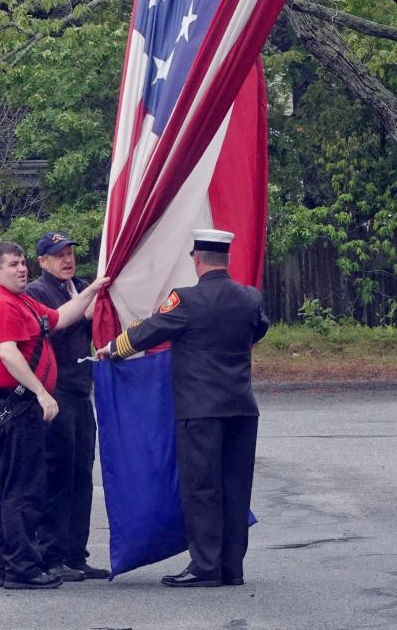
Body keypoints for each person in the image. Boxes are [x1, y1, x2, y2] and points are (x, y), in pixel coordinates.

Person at [99, 228, 269, 588]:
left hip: (201, 409)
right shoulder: (249, 298)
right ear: (226, 259)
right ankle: (231, 568)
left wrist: (114, 349)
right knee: (236, 487)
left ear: (197, 259)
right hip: (241, 408)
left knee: (202, 487)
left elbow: (150, 331)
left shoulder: (186, 300)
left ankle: (205, 566)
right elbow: (259, 330)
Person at [0, 240, 108, 591]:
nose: (21, 269)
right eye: (13, 264)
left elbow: (61, 317)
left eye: (21, 263)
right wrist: (40, 390)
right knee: (22, 490)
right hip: (14, 404)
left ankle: (9, 566)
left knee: (10, 490)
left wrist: (94, 287)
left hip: (13, 403)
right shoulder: (0, 303)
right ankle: (22, 568)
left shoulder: (20, 300)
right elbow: (7, 354)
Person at [24, 232, 108, 579]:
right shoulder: (36, 293)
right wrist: (82, 315)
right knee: (57, 475)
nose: (67, 260)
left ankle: (76, 553)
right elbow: (46, 329)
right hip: (54, 393)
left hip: (80, 391)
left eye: (70, 253)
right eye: (59, 255)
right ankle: (51, 554)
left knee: (81, 476)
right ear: (42, 261)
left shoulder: (81, 286)